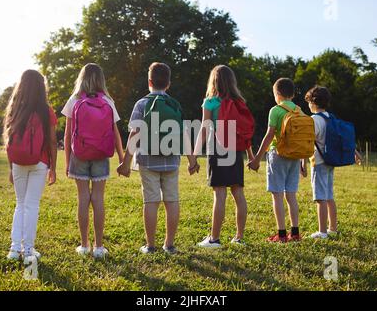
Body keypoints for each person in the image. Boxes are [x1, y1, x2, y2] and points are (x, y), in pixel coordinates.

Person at [117, 62, 199, 255]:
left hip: (147, 161)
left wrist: (125, 163)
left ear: (149, 82)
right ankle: (169, 245)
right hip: (171, 160)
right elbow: (184, 134)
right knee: (172, 201)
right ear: (168, 84)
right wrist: (192, 160)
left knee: (151, 201)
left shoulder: (141, 104)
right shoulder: (174, 104)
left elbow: (134, 135)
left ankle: (150, 245)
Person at [61, 63, 124, 259]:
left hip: (79, 154)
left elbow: (67, 134)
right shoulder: (107, 100)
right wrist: (122, 158)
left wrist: (66, 161)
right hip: (101, 155)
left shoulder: (74, 99)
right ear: (101, 80)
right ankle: (99, 247)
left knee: (82, 198)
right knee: (98, 198)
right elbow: (115, 133)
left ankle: (84, 245)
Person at [195, 65, 255, 249]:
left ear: (213, 81)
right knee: (238, 192)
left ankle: (214, 239)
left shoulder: (210, 102)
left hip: (218, 148)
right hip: (236, 150)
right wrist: (251, 156)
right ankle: (239, 237)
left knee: (219, 193)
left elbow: (204, 130)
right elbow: (245, 133)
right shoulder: (240, 102)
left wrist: (194, 155)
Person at [4, 70, 58, 261]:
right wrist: (53, 167)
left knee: (20, 204)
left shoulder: (15, 108)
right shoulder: (46, 110)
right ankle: (28, 251)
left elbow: (8, 140)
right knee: (32, 205)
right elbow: (52, 141)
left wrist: (11, 167)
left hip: (18, 162)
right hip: (40, 161)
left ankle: (13, 249)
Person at [302, 86, 362, 239]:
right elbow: (342, 139)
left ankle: (322, 232)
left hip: (319, 162)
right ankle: (332, 228)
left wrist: (303, 163)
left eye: (308, 102)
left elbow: (308, 143)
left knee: (320, 198)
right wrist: (354, 152)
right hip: (330, 161)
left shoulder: (314, 120)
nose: (308, 105)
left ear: (313, 103)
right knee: (329, 196)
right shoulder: (330, 117)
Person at [248, 78, 303, 243]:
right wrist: (302, 161)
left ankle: (280, 235)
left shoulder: (276, 110)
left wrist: (257, 158)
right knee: (291, 195)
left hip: (278, 155)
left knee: (277, 195)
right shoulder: (299, 111)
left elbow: (269, 136)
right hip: (295, 156)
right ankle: (295, 233)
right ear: (292, 94)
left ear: (277, 94)